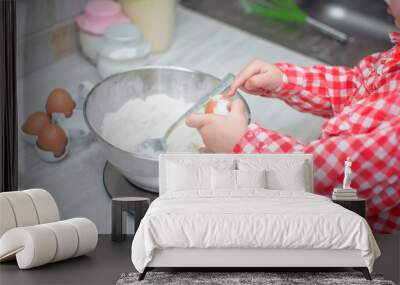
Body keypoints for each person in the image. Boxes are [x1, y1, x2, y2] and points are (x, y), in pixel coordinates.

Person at [186, 0, 400, 233]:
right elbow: (357, 87)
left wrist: (243, 144)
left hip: (357, 239)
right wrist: (285, 80)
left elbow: (330, 179)